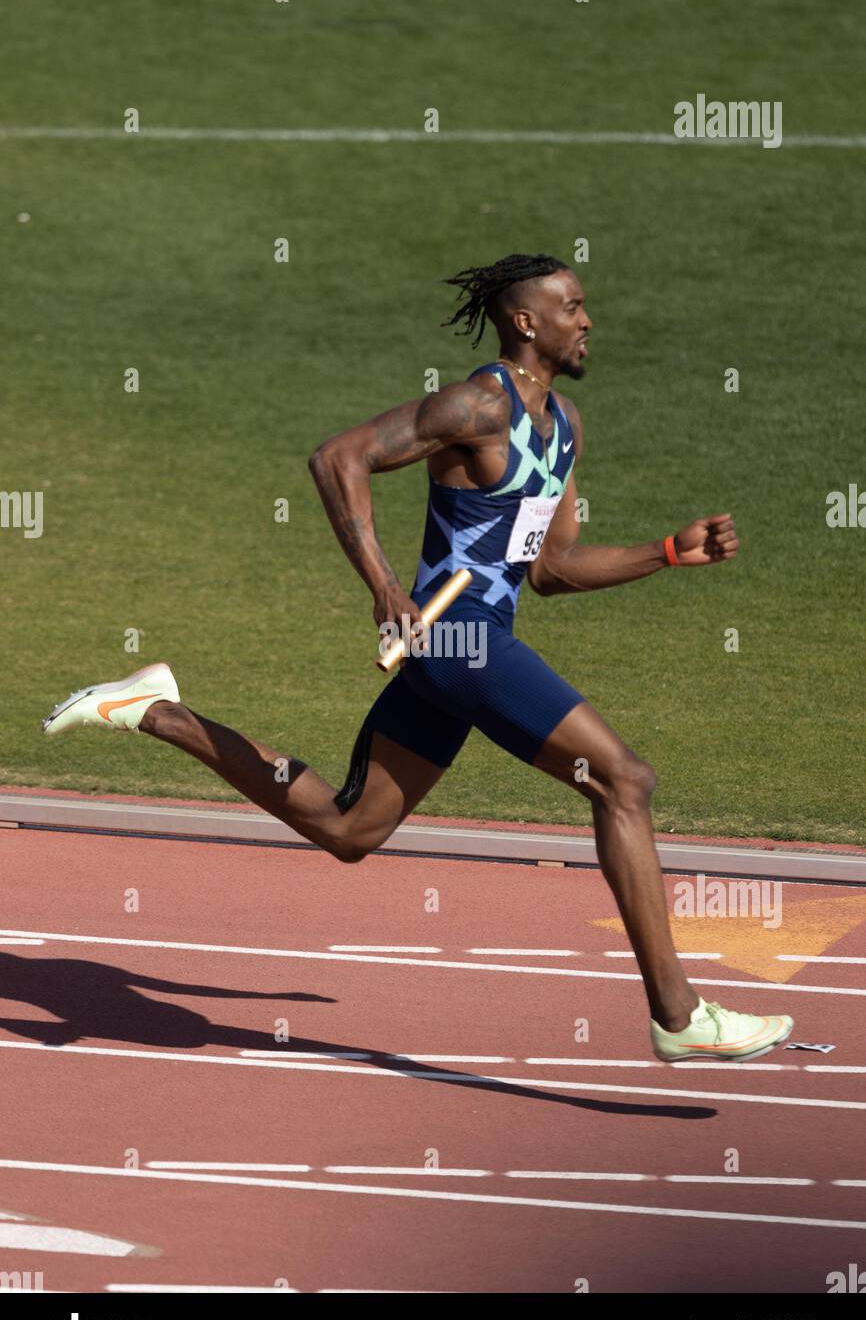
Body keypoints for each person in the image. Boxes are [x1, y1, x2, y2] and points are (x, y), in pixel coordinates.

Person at [42, 252, 793, 1063]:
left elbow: (548, 570)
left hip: (476, 640)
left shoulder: (564, 427)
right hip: (456, 637)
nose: (587, 321)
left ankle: (153, 708)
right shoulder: (476, 405)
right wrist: (384, 587)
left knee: (348, 826)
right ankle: (678, 1017)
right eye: (572, 307)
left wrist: (665, 554)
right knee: (625, 779)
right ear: (526, 322)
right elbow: (338, 458)